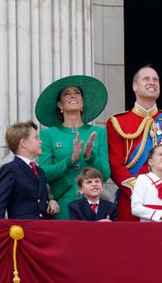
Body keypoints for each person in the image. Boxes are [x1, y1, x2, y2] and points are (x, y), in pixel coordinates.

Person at [106, 65, 162, 221]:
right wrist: (141, 190)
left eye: (155, 80)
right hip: (132, 199)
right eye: (146, 79)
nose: (152, 82)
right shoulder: (117, 122)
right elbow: (115, 164)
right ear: (134, 86)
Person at [36, 75, 111, 220]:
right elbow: (43, 174)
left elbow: (106, 174)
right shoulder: (48, 134)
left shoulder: (99, 133)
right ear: (60, 104)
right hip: (62, 204)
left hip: (94, 203)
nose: (73, 96)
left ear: (83, 103)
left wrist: (90, 157)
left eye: (77, 93)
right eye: (67, 94)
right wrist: (70, 161)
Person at [0, 121, 60, 219]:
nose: (40, 142)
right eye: (36, 138)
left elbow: (39, 200)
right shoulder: (10, 169)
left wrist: (51, 202)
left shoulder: (40, 171)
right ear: (24, 143)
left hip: (43, 228)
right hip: (22, 230)